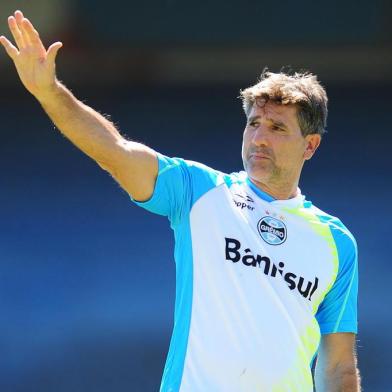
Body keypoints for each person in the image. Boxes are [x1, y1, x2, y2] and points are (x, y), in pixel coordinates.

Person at [0, 10, 360, 392]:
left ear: (311, 145)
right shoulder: (199, 191)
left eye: (277, 128)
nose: (258, 139)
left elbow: (337, 366)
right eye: (253, 123)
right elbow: (115, 151)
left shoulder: (337, 243)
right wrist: (49, 91)